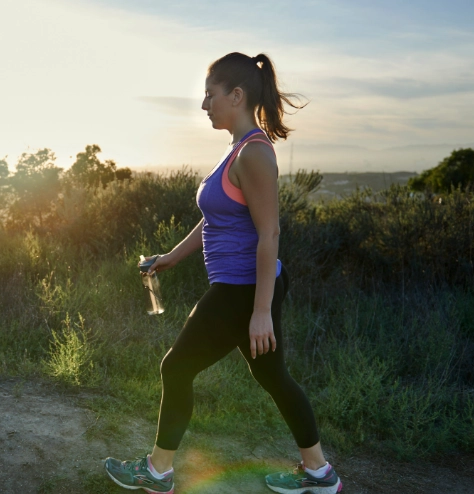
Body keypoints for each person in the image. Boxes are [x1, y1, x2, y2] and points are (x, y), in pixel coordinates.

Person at [103, 52, 343, 494]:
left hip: (243, 288)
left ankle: (157, 472)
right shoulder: (236, 150)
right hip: (241, 287)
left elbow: (269, 233)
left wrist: (261, 310)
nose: (203, 105)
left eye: (209, 95)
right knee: (273, 377)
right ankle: (319, 472)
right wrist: (172, 257)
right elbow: (215, 216)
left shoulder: (254, 154)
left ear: (236, 95)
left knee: (175, 368)